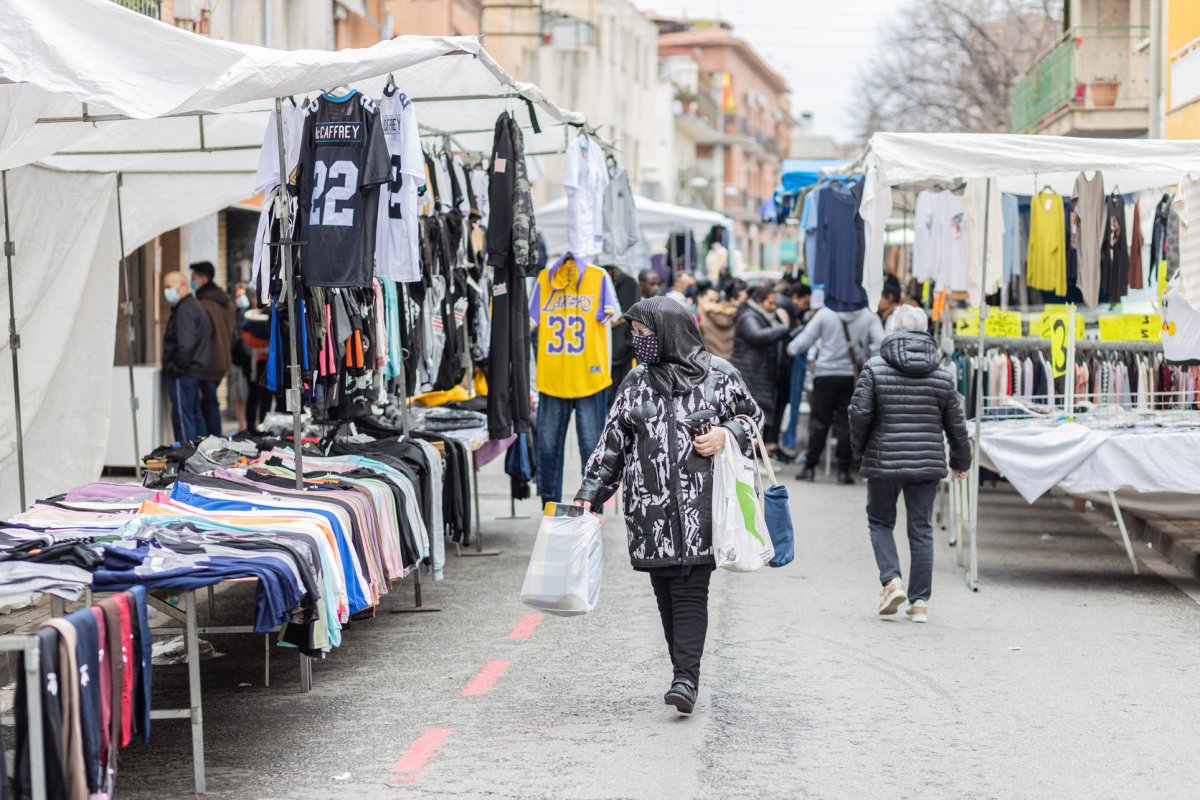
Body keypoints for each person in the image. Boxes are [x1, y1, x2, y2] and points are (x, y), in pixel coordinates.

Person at [574, 297, 762, 715]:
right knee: (665, 591)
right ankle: (683, 671)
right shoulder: (636, 382)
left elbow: (754, 419)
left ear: (669, 332)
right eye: (635, 335)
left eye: (644, 334)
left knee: (691, 589)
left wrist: (727, 435)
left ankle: (685, 678)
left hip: (703, 509)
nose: (637, 342)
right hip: (650, 512)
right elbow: (612, 446)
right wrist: (589, 493)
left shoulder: (721, 377)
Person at [848, 305, 971, 623]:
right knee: (921, 529)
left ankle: (892, 581)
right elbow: (957, 424)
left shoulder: (875, 368)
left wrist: (860, 449)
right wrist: (961, 460)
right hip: (926, 462)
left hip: (883, 460)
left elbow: (858, 413)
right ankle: (919, 603)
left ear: (892, 331)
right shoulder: (942, 375)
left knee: (879, 521)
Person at [786, 303, 884, 484]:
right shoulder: (868, 316)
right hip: (852, 377)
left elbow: (804, 340)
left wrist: (792, 348)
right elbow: (880, 343)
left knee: (819, 423)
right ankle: (843, 470)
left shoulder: (825, 314)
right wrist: (866, 356)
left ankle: (809, 468)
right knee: (846, 423)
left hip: (825, 375)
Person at [730, 285, 791, 451]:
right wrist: (784, 327)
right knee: (751, 417)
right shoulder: (749, 316)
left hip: (760, 373)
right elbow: (757, 336)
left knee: (759, 416)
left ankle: (757, 458)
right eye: (770, 303)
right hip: (751, 373)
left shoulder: (762, 316)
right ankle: (752, 459)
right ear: (759, 301)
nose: (774, 307)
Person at [161, 271, 212, 443]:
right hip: (194, 371)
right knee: (194, 415)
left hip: (184, 373)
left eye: (169, 287)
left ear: (182, 285)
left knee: (183, 418)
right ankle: (199, 455)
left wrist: (175, 369)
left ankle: (186, 457)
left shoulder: (185, 309)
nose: (166, 291)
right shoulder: (193, 306)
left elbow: (185, 344)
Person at [190, 261, 237, 436]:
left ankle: (212, 443)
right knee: (210, 401)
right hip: (222, 360)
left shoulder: (202, 303)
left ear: (203, 279)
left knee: (207, 404)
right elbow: (234, 335)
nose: (192, 281)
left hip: (206, 362)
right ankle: (215, 441)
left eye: (193, 278)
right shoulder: (226, 302)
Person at [780, 283, 813, 454]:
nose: (805, 307)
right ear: (795, 298)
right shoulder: (786, 312)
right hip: (785, 367)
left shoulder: (791, 312)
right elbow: (791, 347)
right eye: (804, 303)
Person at [608, 265, 640, 398]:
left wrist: (629, 343)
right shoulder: (595, 281)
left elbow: (635, 317)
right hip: (601, 352)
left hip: (624, 352)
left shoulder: (630, 284)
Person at [229, 281, 252, 431]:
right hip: (238, 361)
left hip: (252, 360)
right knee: (240, 396)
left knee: (251, 395)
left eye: (243, 294)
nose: (241, 298)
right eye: (238, 296)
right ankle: (241, 425)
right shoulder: (233, 314)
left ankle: (251, 423)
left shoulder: (251, 313)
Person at [697, 286, 739, 360]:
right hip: (731, 362)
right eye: (711, 300)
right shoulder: (733, 318)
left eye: (715, 301)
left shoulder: (705, 321)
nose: (712, 304)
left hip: (712, 363)